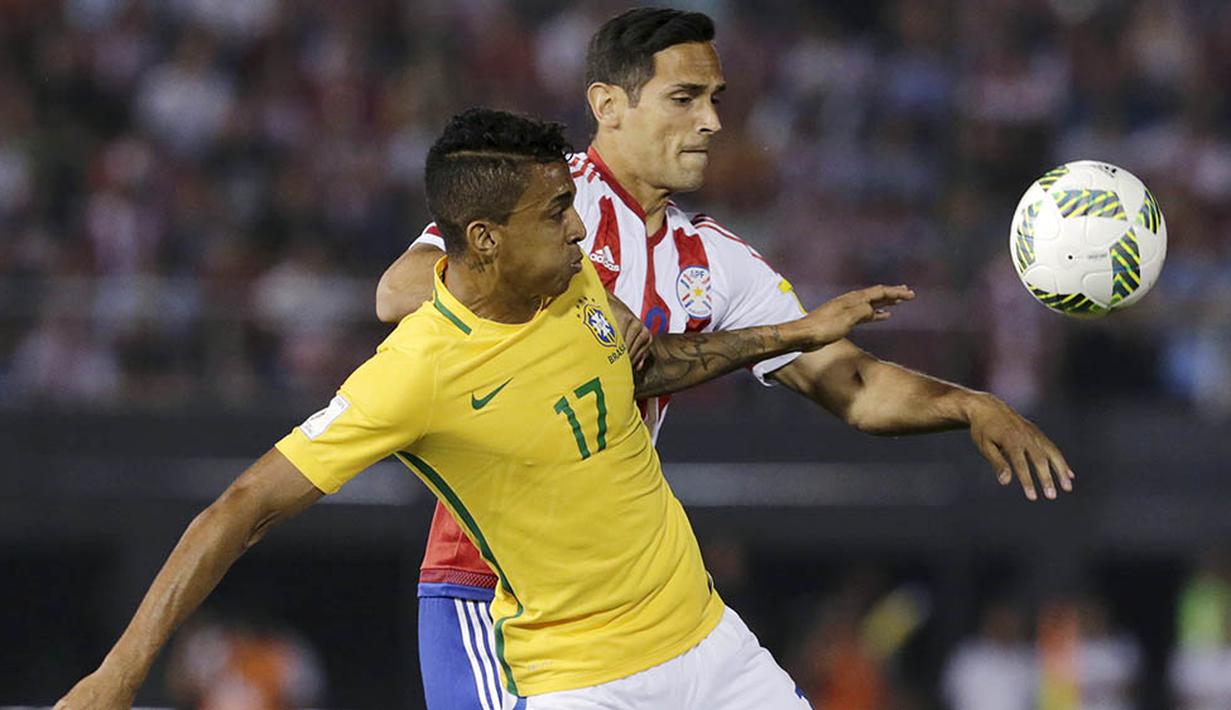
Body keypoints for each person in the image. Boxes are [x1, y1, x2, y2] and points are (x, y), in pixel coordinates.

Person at [55, 108, 915, 709]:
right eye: (556, 216)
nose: (581, 234)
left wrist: (795, 331)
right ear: (482, 241)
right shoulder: (416, 373)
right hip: (581, 682)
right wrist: (119, 676)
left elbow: (648, 365)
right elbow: (238, 509)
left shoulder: (570, 279)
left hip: (712, 645)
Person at [374, 8, 1077, 709]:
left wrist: (967, 403)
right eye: (684, 99)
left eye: (714, 100)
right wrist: (577, 300)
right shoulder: (537, 200)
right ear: (607, 105)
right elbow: (399, 289)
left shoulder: (713, 260)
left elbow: (852, 383)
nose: (710, 122)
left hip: (640, 600)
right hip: (497, 590)